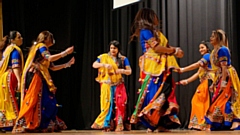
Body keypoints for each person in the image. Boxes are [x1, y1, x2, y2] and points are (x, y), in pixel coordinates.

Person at [129, 8, 184, 132]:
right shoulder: (145, 31)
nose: (157, 18)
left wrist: (176, 51)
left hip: (163, 66)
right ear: (149, 17)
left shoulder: (156, 32)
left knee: (167, 91)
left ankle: (161, 123)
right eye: (154, 16)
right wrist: (173, 51)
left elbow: (165, 47)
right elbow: (157, 48)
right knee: (156, 92)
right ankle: (152, 121)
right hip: (154, 66)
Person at [12, 31, 75, 133]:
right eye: (51, 37)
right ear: (45, 38)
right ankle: (29, 122)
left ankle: (40, 123)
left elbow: (52, 67)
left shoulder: (43, 49)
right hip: (36, 76)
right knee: (33, 99)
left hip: (42, 78)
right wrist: (65, 53)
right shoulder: (41, 46)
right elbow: (49, 58)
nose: (52, 40)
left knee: (46, 101)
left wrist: (67, 64)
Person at [203, 29, 240, 131]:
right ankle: (223, 122)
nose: (211, 38)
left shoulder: (222, 50)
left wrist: (223, 82)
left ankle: (235, 122)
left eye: (213, 36)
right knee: (220, 99)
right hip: (221, 76)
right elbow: (218, 69)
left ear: (218, 38)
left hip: (228, 77)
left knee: (226, 98)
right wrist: (213, 81)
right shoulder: (215, 51)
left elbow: (224, 68)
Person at [91, 40, 132, 132]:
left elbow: (129, 71)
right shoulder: (103, 57)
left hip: (119, 85)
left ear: (118, 49)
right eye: (111, 48)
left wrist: (121, 71)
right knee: (107, 104)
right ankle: (107, 125)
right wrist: (104, 65)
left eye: (115, 48)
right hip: (107, 85)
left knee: (120, 104)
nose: (113, 50)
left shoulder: (123, 59)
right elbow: (94, 65)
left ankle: (119, 124)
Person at [177, 41, 214, 130]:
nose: (200, 49)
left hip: (208, 82)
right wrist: (187, 81)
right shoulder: (205, 58)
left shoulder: (208, 56)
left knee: (203, 103)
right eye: (199, 48)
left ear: (207, 48)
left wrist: (183, 69)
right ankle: (201, 123)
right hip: (204, 83)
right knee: (198, 102)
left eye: (202, 47)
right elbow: (198, 73)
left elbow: (196, 65)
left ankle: (204, 123)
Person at [0, 31, 24, 133]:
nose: (21, 38)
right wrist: (19, 81)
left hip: (4, 77)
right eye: (19, 37)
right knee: (11, 99)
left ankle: (5, 123)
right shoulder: (14, 50)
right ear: (12, 40)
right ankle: (13, 123)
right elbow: (15, 67)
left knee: (6, 100)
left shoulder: (7, 50)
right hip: (10, 76)